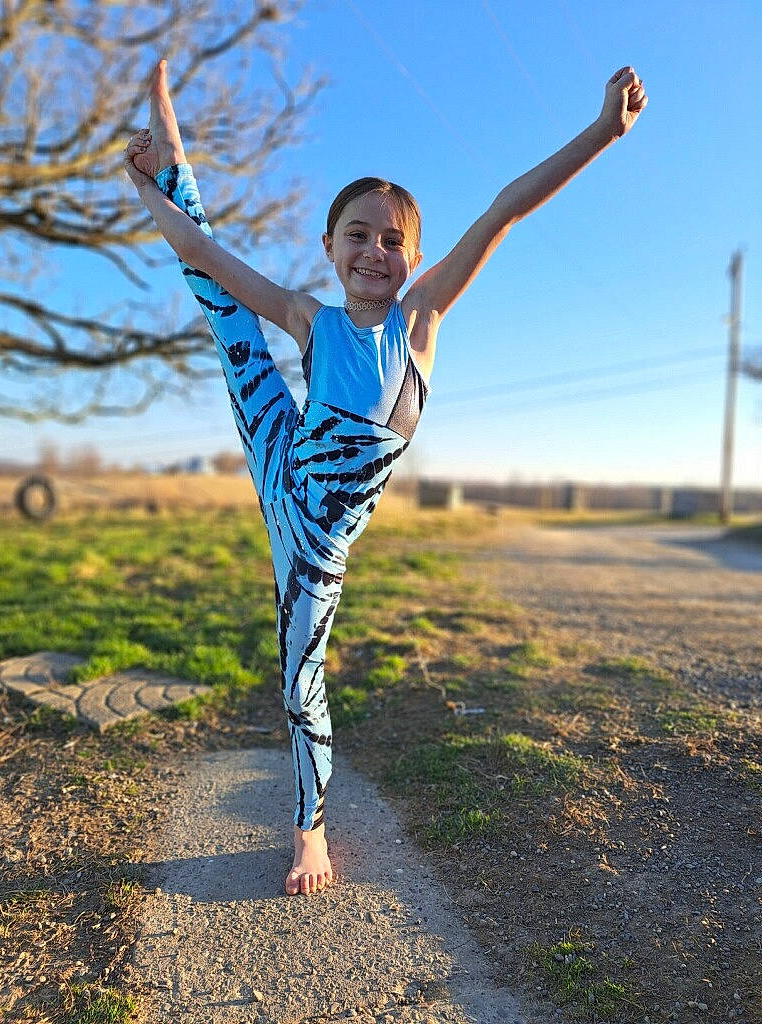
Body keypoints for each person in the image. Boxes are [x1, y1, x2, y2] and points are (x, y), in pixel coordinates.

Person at [124, 59, 647, 897]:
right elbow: (199, 251)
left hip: (316, 545)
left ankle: (310, 832)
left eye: (392, 239)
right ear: (329, 248)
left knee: (299, 681)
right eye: (357, 235)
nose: (375, 250)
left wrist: (602, 132)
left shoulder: (420, 321)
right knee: (224, 308)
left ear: (415, 257)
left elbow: (506, 208)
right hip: (282, 457)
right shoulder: (310, 318)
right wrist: (147, 188)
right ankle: (171, 148)